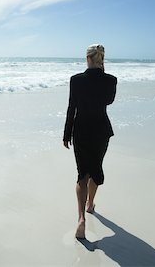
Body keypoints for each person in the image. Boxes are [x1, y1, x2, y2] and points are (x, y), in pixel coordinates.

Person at [63, 43, 117, 239]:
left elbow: (72, 108)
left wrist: (66, 133)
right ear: (101, 60)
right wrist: (104, 74)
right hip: (101, 131)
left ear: (87, 58)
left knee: (82, 174)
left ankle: (81, 220)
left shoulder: (75, 80)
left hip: (81, 131)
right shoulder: (111, 80)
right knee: (96, 168)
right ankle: (90, 205)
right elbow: (108, 101)